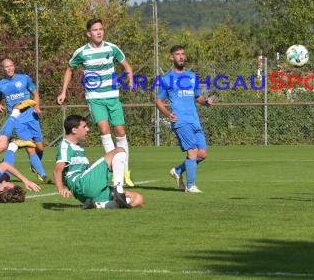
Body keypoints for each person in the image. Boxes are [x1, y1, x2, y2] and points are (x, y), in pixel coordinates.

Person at [56, 18, 135, 187]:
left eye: (101, 29)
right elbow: (70, 68)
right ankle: (115, 170)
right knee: (104, 130)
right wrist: (63, 91)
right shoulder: (82, 52)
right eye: (95, 30)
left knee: (120, 132)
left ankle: (125, 170)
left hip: (113, 96)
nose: (99, 32)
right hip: (95, 98)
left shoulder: (112, 48)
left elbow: (127, 66)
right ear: (88, 33)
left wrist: (130, 78)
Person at [53, 114, 144, 209]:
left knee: (138, 199)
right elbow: (58, 169)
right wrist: (60, 188)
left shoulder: (78, 147)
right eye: (84, 127)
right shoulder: (65, 146)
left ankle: (97, 204)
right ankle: (118, 189)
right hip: (80, 184)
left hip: (86, 190)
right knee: (119, 150)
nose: (87, 129)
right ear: (74, 130)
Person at [155, 44, 213, 193]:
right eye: (177, 54)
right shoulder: (166, 79)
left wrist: (205, 102)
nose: (181, 56)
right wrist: (168, 115)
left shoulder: (192, 76)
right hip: (180, 121)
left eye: (183, 54)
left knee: (202, 154)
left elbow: (198, 97)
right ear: (172, 57)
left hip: (194, 120)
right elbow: (159, 101)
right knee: (192, 151)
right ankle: (190, 185)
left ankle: (178, 170)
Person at [0, 58, 52, 184]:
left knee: (40, 148)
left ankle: (29, 161)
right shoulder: (0, 85)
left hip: (32, 116)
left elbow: (35, 93)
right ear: (2, 69)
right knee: (30, 147)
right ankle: (43, 175)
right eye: (6, 67)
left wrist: (36, 106)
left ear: (14, 66)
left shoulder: (25, 78)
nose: (9, 69)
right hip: (17, 119)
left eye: (11, 66)